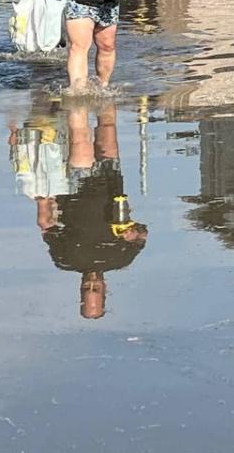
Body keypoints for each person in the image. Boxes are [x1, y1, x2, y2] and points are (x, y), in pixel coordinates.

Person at [39, 104, 147, 319]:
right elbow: (143, 234)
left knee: (80, 136)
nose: (90, 284)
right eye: (94, 289)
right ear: (105, 289)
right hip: (112, 187)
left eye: (86, 289)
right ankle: (102, 92)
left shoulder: (65, 260)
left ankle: (76, 92)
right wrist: (133, 233)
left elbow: (46, 225)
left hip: (74, 188)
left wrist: (43, 199)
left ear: (79, 290)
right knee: (107, 125)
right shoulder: (121, 259)